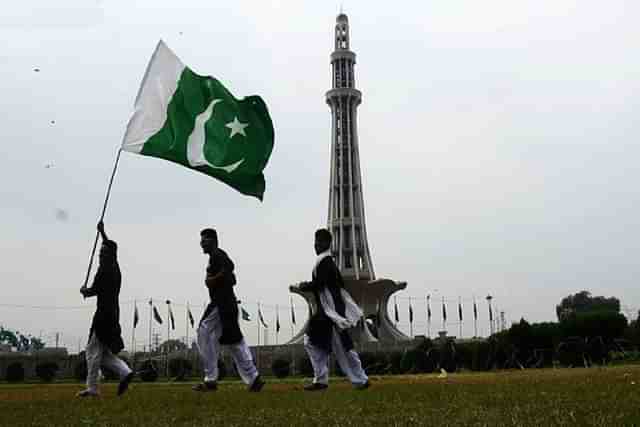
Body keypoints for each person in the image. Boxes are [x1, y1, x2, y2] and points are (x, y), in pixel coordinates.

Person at [290, 228, 369, 391]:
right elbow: (334, 284)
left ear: (327, 243)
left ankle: (326, 380)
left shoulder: (325, 262)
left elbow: (320, 284)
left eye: (319, 242)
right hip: (331, 311)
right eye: (315, 242)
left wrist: (302, 285)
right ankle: (358, 379)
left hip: (329, 312)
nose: (316, 245)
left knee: (316, 342)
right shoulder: (326, 262)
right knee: (339, 346)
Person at [193, 228, 264, 392]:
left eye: (205, 240)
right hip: (225, 304)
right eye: (201, 240)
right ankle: (253, 378)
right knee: (233, 341)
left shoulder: (218, 255)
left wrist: (212, 279)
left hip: (221, 304)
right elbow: (231, 276)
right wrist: (213, 278)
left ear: (214, 241)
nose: (202, 243)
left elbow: (229, 272)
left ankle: (211, 379)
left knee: (204, 331)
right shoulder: (216, 257)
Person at [77, 221, 134, 397]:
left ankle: (92, 388)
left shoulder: (104, 271)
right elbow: (110, 246)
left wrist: (85, 291)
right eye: (100, 252)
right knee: (104, 354)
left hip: (103, 316)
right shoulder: (115, 268)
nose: (100, 255)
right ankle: (125, 372)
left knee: (92, 352)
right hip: (112, 315)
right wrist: (103, 233)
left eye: (103, 253)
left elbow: (93, 291)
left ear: (109, 255)